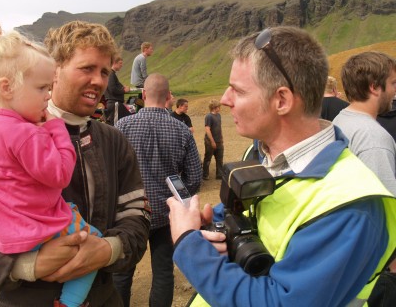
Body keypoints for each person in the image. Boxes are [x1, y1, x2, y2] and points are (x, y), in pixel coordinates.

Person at [0, 20, 151, 307]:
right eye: (87, 68)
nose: (99, 80)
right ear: (54, 70)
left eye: (104, 71)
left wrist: (108, 250)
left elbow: (137, 215)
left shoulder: (113, 141)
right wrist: (25, 265)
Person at [167, 26, 396, 306]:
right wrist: (216, 223)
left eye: (237, 90)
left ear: (282, 100)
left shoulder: (351, 207)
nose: (225, 100)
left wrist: (189, 244)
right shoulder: (265, 157)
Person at [113, 73, 202, 307]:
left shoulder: (122, 126)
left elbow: (110, 170)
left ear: (143, 95)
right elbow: (194, 177)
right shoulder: (181, 130)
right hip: (167, 214)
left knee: (122, 272)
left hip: (130, 214)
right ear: (169, 97)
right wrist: (177, 200)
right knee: (163, 271)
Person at [333, 51, 396, 196]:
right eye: (393, 83)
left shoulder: (341, 119)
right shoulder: (373, 138)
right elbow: (384, 201)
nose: (395, 90)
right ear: (374, 87)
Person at [103, 56, 131, 125]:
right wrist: (124, 91)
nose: (121, 65)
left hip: (115, 104)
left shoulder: (112, 74)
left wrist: (122, 86)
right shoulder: (111, 74)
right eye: (120, 63)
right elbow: (112, 89)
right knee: (115, 125)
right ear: (114, 63)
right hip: (114, 104)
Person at [202, 99, 223, 180]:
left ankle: (219, 174)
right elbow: (207, 129)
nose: (220, 108)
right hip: (210, 142)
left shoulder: (219, 115)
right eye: (218, 107)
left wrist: (221, 137)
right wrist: (212, 141)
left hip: (219, 141)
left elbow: (219, 127)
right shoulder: (209, 116)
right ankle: (205, 175)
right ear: (214, 107)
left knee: (219, 158)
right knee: (208, 158)